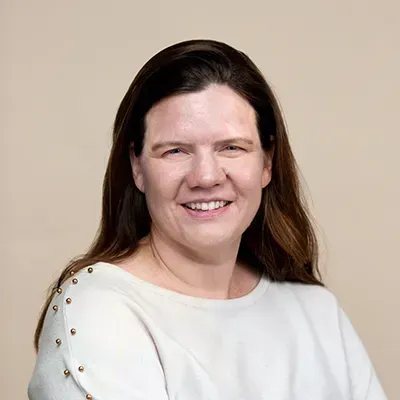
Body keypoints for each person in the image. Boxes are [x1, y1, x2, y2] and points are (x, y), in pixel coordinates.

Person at [28, 39, 387, 400]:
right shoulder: (99, 309)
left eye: (231, 147)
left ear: (267, 161)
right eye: (175, 150)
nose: (206, 176)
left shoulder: (317, 311)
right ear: (137, 166)